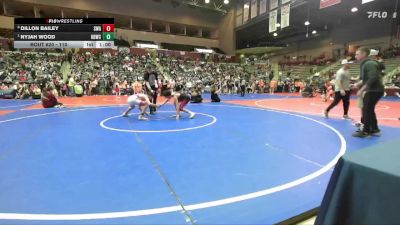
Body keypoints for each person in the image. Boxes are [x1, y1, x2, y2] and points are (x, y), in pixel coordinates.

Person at [352, 47, 385, 138]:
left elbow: (373, 78)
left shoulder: (369, 64)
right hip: (374, 90)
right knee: (369, 109)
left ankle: (366, 131)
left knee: (366, 109)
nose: (355, 56)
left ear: (363, 54)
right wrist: (358, 84)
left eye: (357, 54)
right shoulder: (365, 64)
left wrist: (362, 90)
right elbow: (366, 79)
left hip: (374, 90)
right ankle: (374, 128)